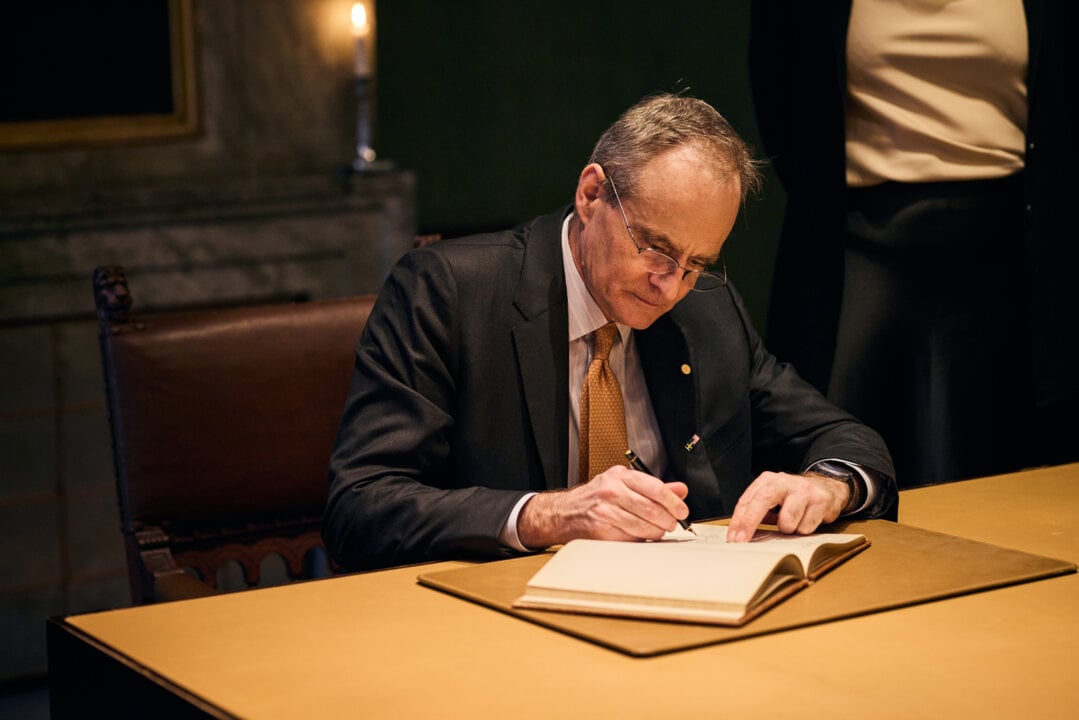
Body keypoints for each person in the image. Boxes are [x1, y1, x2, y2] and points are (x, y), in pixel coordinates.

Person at [324, 93, 898, 571]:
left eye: (697, 262)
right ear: (592, 193)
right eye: (655, 247)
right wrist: (549, 515)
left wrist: (831, 485)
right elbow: (361, 507)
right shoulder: (449, 292)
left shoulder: (708, 309)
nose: (670, 285)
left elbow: (845, 438)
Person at [749, 1, 1079, 487]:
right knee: (832, 452)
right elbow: (780, 93)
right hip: (862, 241)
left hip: (1011, 246)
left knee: (1010, 472)